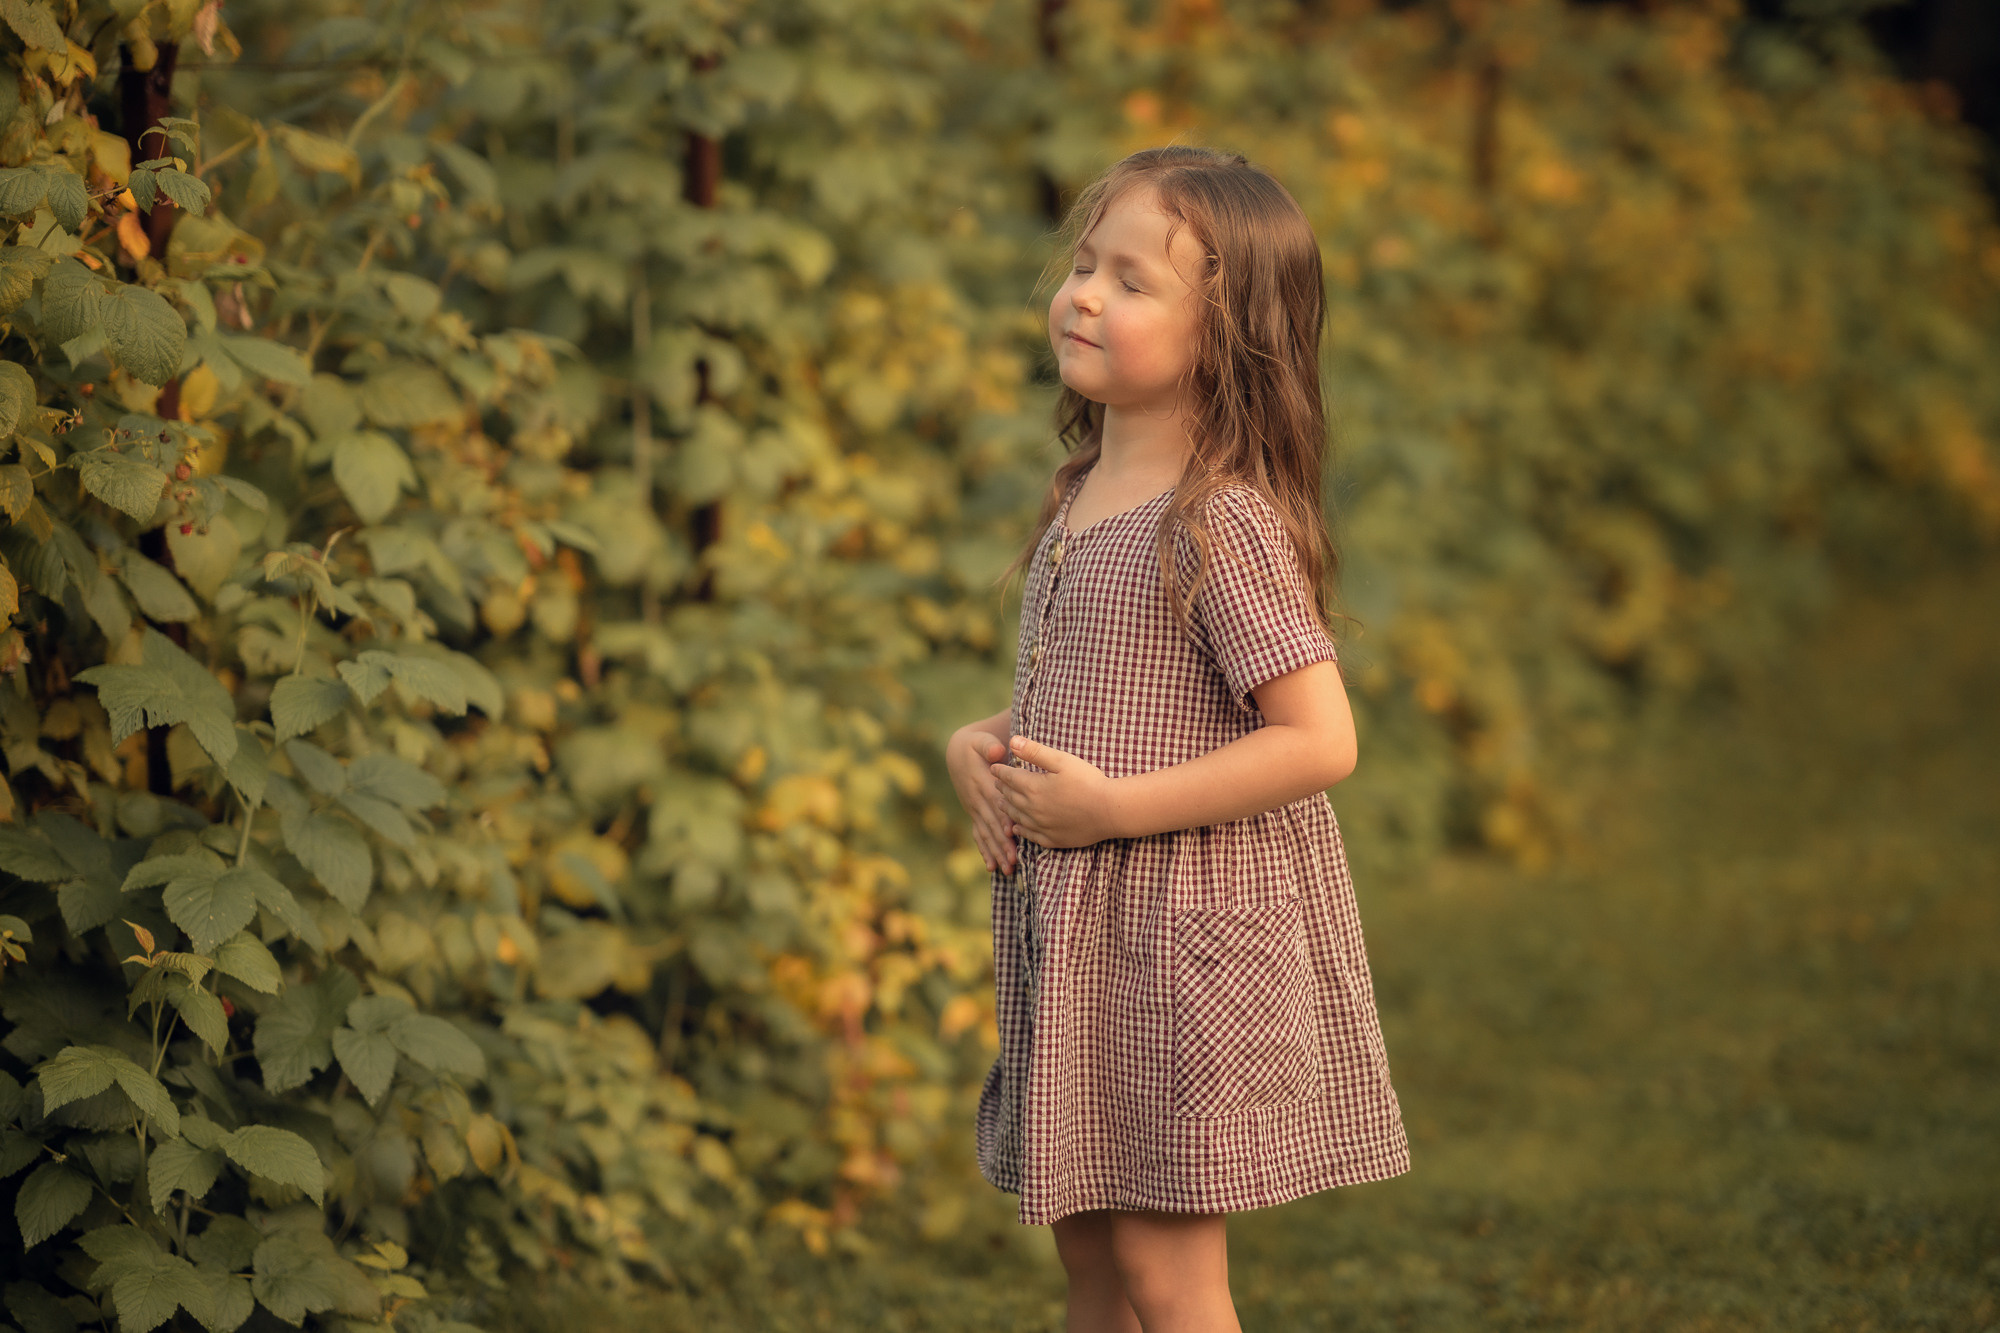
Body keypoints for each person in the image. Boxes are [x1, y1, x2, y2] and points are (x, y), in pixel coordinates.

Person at [944, 145, 1411, 1332]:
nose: (1085, 294)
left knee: (1167, 1281)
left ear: (1229, 337)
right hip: (1084, 944)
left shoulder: (1218, 523)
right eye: (1084, 264)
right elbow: (1098, 695)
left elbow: (1317, 740)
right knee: (1093, 1274)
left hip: (1173, 941)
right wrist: (979, 745)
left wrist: (1110, 812)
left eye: (1133, 281)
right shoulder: (1081, 490)